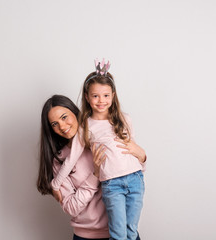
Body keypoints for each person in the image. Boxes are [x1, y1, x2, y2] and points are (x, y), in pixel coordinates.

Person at [50, 59, 147, 240]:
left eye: (105, 96)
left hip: (135, 179)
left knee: (131, 233)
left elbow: (129, 155)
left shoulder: (124, 119)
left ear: (113, 95)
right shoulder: (85, 129)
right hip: (99, 215)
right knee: (120, 235)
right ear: (87, 97)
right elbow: (71, 162)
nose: (101, 101)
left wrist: (143, 156)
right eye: (95, 96)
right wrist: (56, 183)